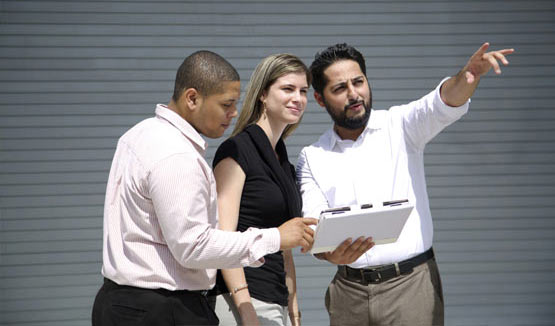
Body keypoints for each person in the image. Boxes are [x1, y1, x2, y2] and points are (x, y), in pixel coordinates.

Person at [91, 50, 317, 326]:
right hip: (161, 309)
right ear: (192, 98)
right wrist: (275, 238)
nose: (234, 113)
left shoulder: (138, 134)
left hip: (124, 303)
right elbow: (193, 246)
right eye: (226, 104)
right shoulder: (177, 155)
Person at [296, 42, 514, 325]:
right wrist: (328, 254)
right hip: (348, 293)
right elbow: (313, 225)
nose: (353, 94)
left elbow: (442, 102)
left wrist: (468, 75)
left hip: (410, 287)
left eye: (358, 82)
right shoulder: (312, 156)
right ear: (320, 99)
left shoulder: (400, 125)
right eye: (339, 88)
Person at [208, 53, 364, 326]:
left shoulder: (283, 163)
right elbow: (224, 238)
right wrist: (246, 310)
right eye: (287, 89)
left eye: (303, 91)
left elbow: (286, 246)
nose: (298, 98)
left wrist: (293, 308)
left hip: (275, 303)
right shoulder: (236, 150)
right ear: (263, 95)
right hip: (240, 303)